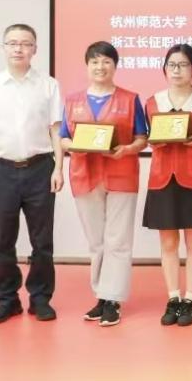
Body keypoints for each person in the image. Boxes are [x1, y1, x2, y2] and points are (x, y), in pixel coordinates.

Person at [0, 23, 64, 325]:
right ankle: (7, 301)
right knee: (3, 241)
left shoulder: (48, 85)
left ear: (35, 49)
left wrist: (59, 168)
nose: (19, 48)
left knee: (42, 241)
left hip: (40, 168)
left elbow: (56, 130)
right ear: (3, 48)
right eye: (12, 43)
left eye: (25, 43)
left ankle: (40, 299)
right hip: (1, 171)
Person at [60, 41, 149, 327]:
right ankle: (101, 295)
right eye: (95, 62)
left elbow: (142, 138)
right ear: (87, 66)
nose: (100, 67)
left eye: (106, 62)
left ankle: (113, 299)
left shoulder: (130, 99)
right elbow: (63, 137)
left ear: (115, 66)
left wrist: (127, 149)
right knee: (96, 241)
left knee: (118, 240)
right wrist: (74, 145)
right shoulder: (72, 100)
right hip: (85, 174)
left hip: (121, 173)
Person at [142, 44, 192, 328]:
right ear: (164, 69)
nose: (177, 70)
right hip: (163, 177)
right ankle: (173, 297)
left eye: (184, 65)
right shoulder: (153, 102)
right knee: (168, 242)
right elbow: (146, 137)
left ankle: (191, 299)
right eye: (172, 65)